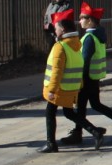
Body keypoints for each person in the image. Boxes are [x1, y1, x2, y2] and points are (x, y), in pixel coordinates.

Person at [60, 2, 112, 147]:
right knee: (93, 105)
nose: (80, 20)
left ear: (90, 20)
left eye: (82, 18)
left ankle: (84, 132)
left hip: (86, 78)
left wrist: (78, 80)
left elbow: (84, 61)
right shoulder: (98, 35)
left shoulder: (89, 38)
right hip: (94, 77)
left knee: (82, 106)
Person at [39, 10, 104, 153]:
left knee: (50, 112)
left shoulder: (60, 46)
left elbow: (57, 71)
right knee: (69, 113)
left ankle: (51, 143)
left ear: (62, 29)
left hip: (59, 87)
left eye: (56, 28)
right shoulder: (76, 44)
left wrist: (52, 90)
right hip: (71, 86)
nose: (55, 31)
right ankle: (95, 132)